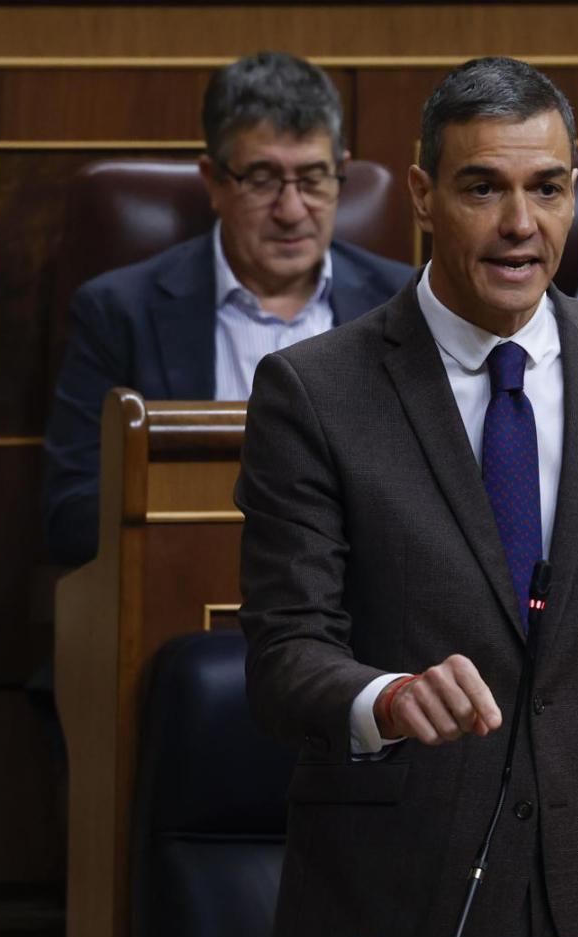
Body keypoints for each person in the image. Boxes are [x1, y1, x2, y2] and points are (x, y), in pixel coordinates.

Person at [235, 58, 578, 937]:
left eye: (547, 190)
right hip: (399, 883)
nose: (520, 225)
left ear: (574, 193)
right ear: (425, 196)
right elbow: (285, 656)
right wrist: (384, 696)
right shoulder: (313, 391)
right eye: (484, 189)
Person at [41, 50, 413, 566]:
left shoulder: (406, 306)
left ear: (341, 173)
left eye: (312, 179)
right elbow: (72, 513)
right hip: (187, 596)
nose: (290, 210)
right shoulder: (119, 313)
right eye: (261, 179)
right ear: (213, 179)